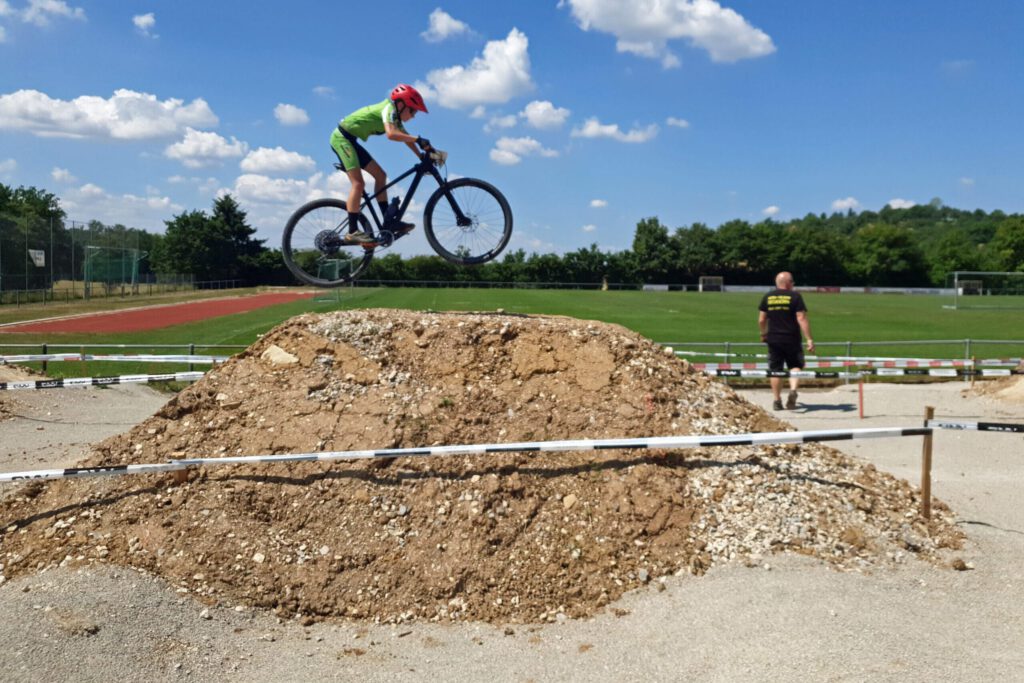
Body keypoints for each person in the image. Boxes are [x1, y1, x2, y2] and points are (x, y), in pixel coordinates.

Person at [330, 84, 434, 244]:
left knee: (381, 175)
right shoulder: (388, 109)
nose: (413, 116)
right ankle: (352, 231)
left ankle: (388, 222)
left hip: (351, 141)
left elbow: (404, 136)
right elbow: (392, 134)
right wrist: (418, 139)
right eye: (413, 110)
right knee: (358, 183)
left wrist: (421, 155)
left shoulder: (395, 116)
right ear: (401, 105)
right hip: (342, 139)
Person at [758, 271, 815, 410]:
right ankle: (793, 390)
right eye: (793, 282)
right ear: (788, 283)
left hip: (774, 338)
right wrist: (809, 339)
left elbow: (761, 319)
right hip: (792, 338)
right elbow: (801, 317)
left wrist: (763, 334)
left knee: (775, 370)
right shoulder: (795, 296)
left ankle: (777, 401)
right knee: (795, 365)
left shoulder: (768, 296)